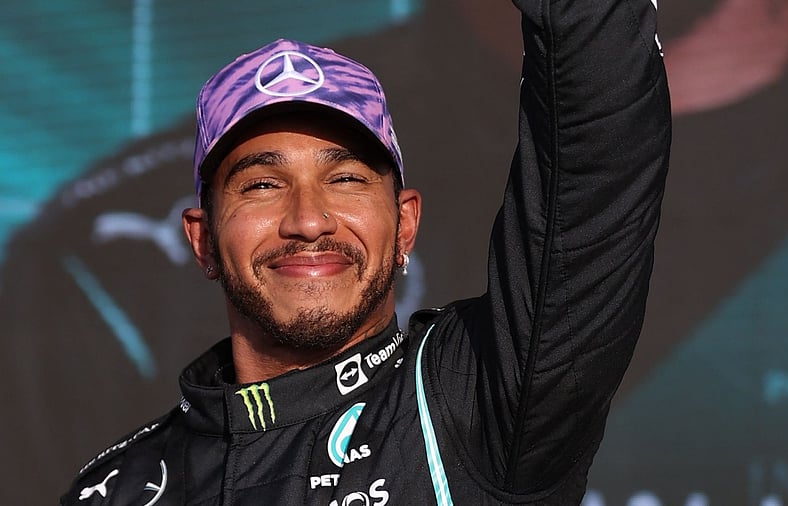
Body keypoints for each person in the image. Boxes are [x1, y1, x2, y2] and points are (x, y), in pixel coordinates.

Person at [61, 0, 671, 503]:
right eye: (263, 184)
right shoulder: (116, 490)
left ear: (404, 225)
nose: (307, 220)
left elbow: (595, 174)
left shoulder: (473, 398)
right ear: (202, 240)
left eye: (346, 179)